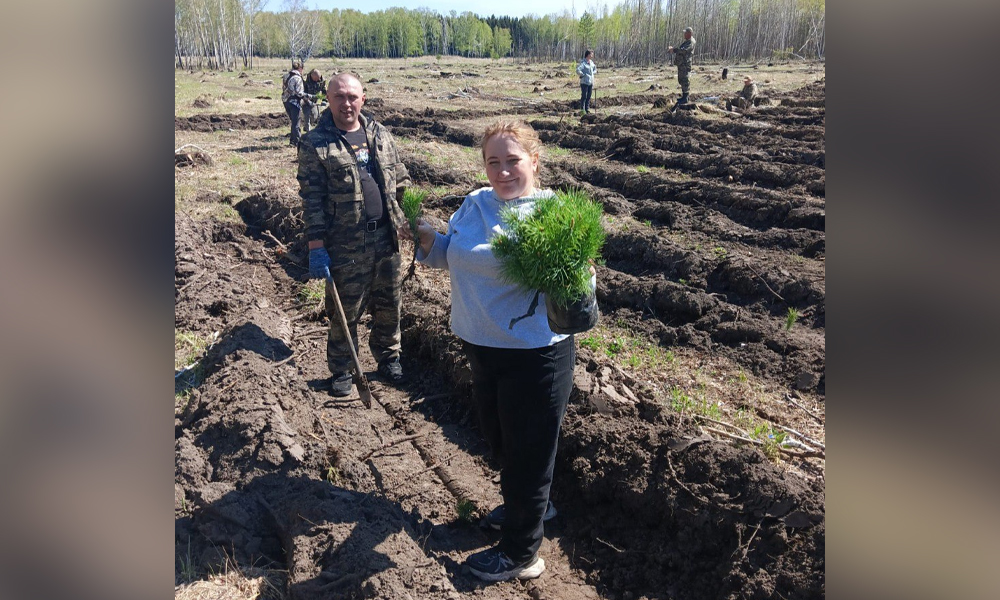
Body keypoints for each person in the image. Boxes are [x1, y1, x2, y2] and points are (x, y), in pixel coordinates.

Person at [401, 119, 590, 582]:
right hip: (481, 346)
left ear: (534, 161)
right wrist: (429, 240)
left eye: (513, 161)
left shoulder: (555, 215)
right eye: (493, 162)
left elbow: (580, 287)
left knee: (529, 454)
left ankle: (522, 554)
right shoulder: (475, 204)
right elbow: (453, 256)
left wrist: (575, 272)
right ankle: (530, 508)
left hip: (535, 355)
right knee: (501, 440)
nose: (503, 171)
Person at [298, 72, 412, 396]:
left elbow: (400, 179)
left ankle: (389, 357)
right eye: (339, 97)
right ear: (328, 99)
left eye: (352, 97)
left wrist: (410, 218)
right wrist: (316, 246)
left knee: (389, 304)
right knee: (345, 310)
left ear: (363, 99)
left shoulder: (380, 134)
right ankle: (342, 369)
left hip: (386, 238)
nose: (346, 103)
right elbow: (312, 199)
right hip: (345, 244)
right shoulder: (315, 143)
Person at [281, 58, 309, 147]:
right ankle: (297, 142)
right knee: (296, 123)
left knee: (293, 122)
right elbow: (299, 93)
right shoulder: (298, 78)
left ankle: (292, 141)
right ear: (300, 68)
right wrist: (309, 97)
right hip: (294, 102)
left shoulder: (286, 76)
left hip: (286, 101)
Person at [667, 26, 697, 103]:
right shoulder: (687, 41)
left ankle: (685, 98)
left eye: (685, 33)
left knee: (685, 79)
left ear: (689, 34)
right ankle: (684, 96)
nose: (684, 34)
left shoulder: (691, 42)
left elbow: (684, 51)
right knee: (681, 79)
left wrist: (674, 50)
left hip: (685, 64)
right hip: (682, 64)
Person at [302, 68, 326, 133]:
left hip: (314, 102)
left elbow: (324, 91)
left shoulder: (322, 81)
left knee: (314, 116)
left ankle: (307, 127)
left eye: (317, 79)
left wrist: (324, 100)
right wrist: (308, 101)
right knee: (307, 115)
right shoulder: (305, 81)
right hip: (305, 101)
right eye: (315, 79)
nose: (316, 80)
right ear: (311, 76)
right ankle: (308, 131)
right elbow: (302, 93)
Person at [576, 50, 597, 115]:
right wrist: (583, 75)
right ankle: (582, 110)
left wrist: (592, 73)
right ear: (588, 55)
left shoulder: (591, 62)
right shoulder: (583, 63)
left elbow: (595, 69)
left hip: (591, 82)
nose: (592, 55)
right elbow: (578, 70)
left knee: (588, 96)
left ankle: (587, 109)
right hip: (584, 82)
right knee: (584, 96)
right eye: (591, 54)